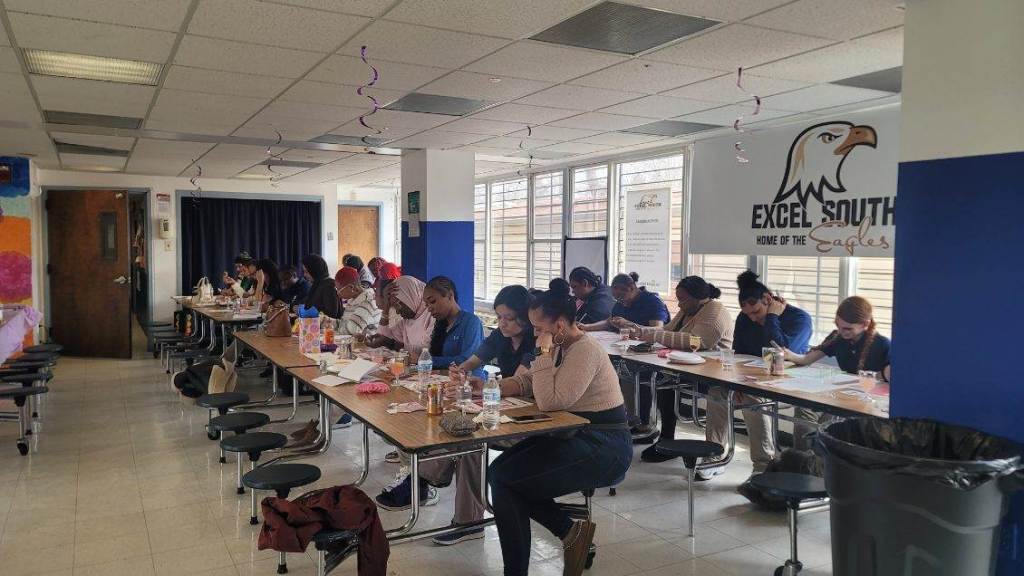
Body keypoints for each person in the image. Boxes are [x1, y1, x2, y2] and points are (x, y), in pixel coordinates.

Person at [488, 281, 632, 576]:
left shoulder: (585, 350)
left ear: (562, 325)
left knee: (507, 480)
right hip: (572, 433)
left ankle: (539, 555)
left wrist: (541, 355)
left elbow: (551, 400)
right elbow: (532, 382)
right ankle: (570, 534)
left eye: (540, 328)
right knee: (500, 474)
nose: (536, 334)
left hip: (604, 444)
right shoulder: (559, 346)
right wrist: (492, 388)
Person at [409, 285, 538, 547]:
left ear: (525, 317)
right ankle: (464, 516)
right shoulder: (500, 336)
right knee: (461, 430)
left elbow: (520, 381)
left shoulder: (536, 341)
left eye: (508, 318)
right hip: (503, 405)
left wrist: (485, 385)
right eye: (499, 316)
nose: (501, 323)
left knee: (470, 438)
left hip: (529, 413)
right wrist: (460, 371)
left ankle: (428, 477)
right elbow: (473, 361)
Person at [375, 276, 484, 512]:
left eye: (433, 302)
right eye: (427, 303)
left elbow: (468, 360)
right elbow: (425, 357)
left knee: (436, 433)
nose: (430, 308)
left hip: (467, 391)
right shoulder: (440, 325)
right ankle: (416, 475)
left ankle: (421, 480)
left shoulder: (470, 322)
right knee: (401, 415)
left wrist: (429, 361)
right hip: (440, 387)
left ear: (450, 296)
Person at [703, 271, 813, 481]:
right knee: (717, 392)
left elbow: (782, 352)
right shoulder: (745, 318)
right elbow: (738, 354)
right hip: (750, 378)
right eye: (749, 314)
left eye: (757, 312)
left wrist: (772, 317)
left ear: (768, 300)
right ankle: (713, 454)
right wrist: (736, 384)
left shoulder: (799, 319)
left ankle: (762, 466)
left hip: (785, 382)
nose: (753, 318)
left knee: (753, 401)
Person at [618, 277, 735, 462]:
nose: (679, 304)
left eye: (683, 299)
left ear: (698, 298)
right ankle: (666, 438)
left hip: (713, 374)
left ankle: (713, 456)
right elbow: (667, 331)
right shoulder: (687, 311)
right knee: (664, 382)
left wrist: (645, 333)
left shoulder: (715, 312)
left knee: (667, 383)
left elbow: (696, 341)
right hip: (688, 367)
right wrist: (637, 329)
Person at [783, 295, 890, 449]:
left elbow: (892, 375)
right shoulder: (838, 337)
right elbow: (807, 359)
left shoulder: (881, 344)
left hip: (866, 403)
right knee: (804, 408)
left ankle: (818, 461)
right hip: (841, 396)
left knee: (829, 425)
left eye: (847, 328)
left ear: (865, 324)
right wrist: (788, 355)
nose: (841, 331)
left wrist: (876, 375)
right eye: (838, 326)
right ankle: (804, 460)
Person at [367, 275, 435, 356]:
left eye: (399, 304)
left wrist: (391, 344)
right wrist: (386, 308)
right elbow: (384, 338)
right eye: (394, 306)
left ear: (411, 296)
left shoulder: (432, 315)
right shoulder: (407, 320)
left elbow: (426, 351)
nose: (398, 312)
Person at [580, 272, 669, 331]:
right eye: (616, 298)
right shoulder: (621, 301)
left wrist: (630, 325)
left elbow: (659, 329)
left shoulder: (653, 302)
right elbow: (609, 322)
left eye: (621, 297)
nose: (620, 301)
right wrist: (586, 327)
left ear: (632, 289)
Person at [334, 266, 382, 336]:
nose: (337, 293)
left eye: (339, 290)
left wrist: (336, 328)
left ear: (351, 288)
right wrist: (325, 321)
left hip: (367, 345)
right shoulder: (352, 299)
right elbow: (344, 323)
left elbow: (353, 329)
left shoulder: (368, 300)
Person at [301, 254, 342, 319]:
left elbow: (332, 313)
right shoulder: (317, 284)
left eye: (307, 272)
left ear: (315, 271)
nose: (305, 275)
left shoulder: (329, 285)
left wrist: (312, 312)